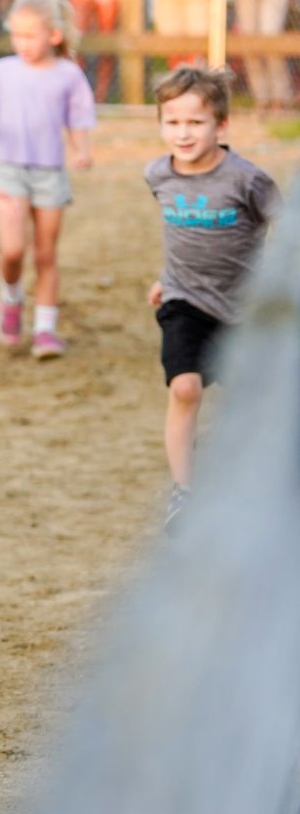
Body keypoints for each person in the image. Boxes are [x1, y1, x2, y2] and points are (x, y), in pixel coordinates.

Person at [145, 67, 281, 528]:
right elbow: (181, 236)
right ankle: (184, 493)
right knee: (185, 388)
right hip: (184, 300)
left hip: (243, 309)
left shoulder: (247, 180)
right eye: (172, 122)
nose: (183, 133)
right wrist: (166, 277)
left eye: (195, 122)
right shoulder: (157, 174)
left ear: (221, 126)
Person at [0, 0, 96, 359]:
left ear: (54, 35)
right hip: (8, 171)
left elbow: (77, 117)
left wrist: (81, 149)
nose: (23, 43)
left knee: (46, 254)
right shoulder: (1, 71)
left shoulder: (68, 75)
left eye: (31, 35)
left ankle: (45, 329)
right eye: (17, 35)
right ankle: (10, 298)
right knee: (13, 250)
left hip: (49, 174)